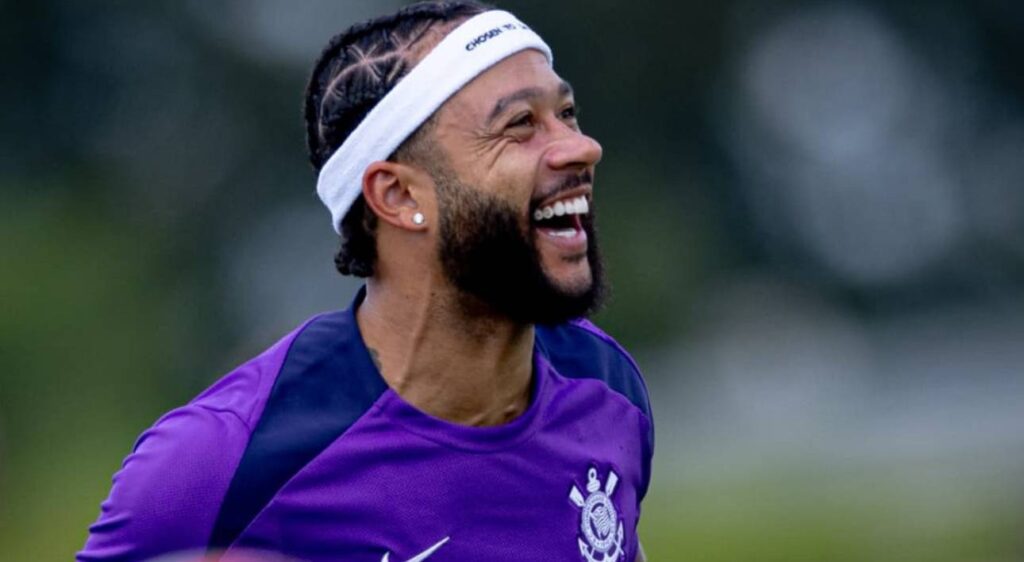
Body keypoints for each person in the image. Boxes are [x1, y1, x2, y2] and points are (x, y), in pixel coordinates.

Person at [78, 2, 653, 561]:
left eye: (567, 114)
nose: (582, 147)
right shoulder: (222, 460)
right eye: (520, 124)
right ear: (398, 196)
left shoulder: (606, 389)